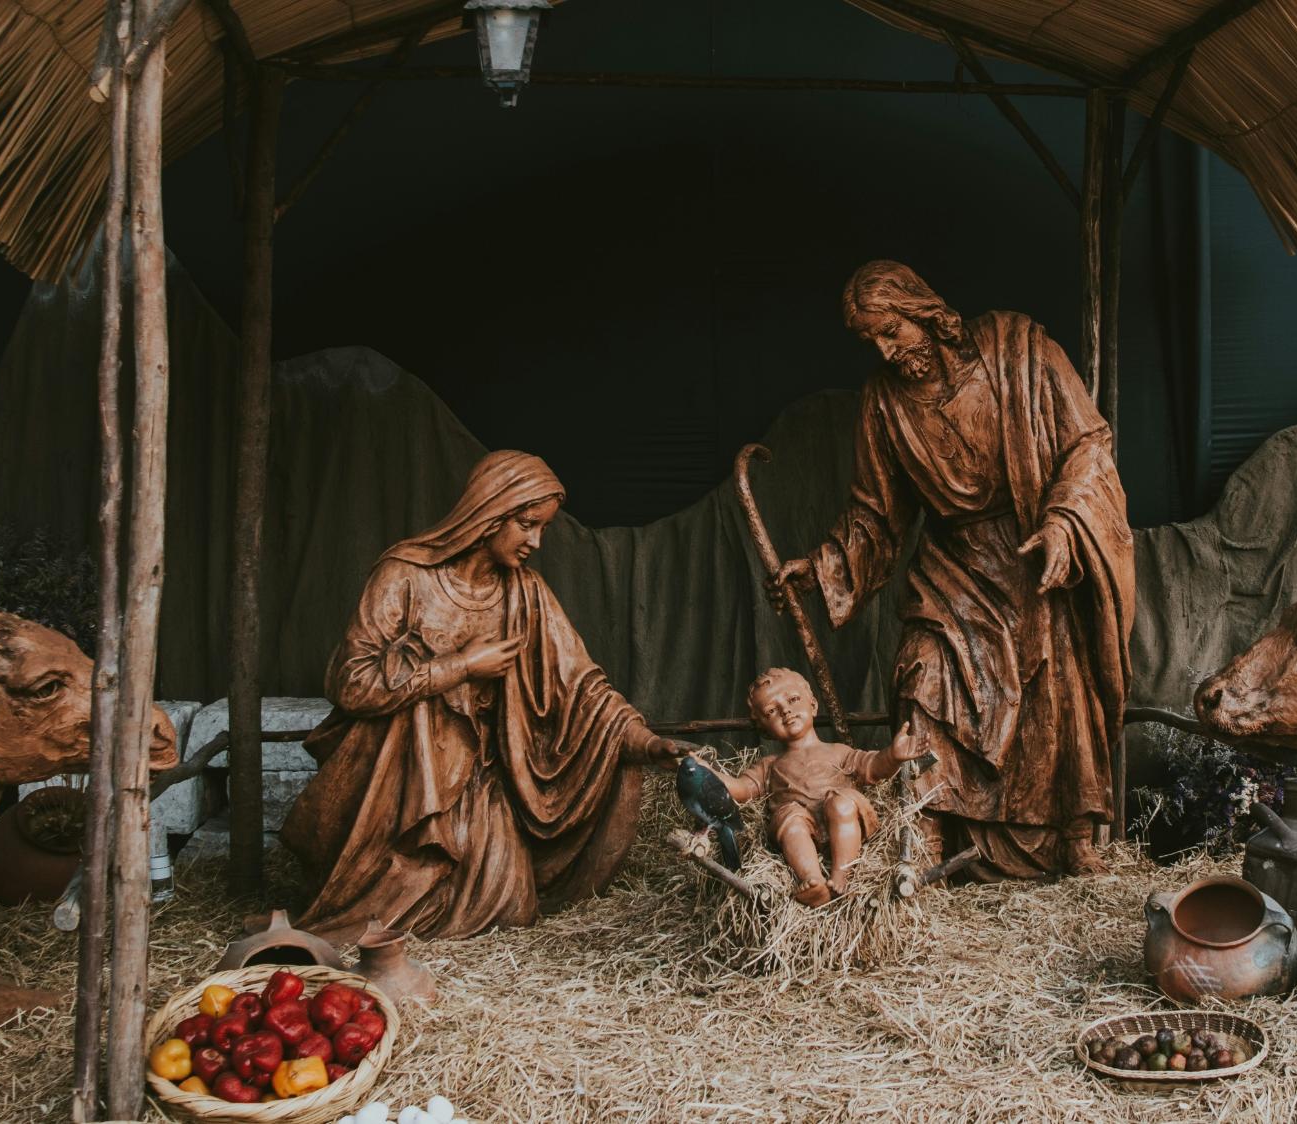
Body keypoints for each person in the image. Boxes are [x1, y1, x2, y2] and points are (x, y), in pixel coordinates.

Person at [771, 260, 1134, 881]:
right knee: (925, 675)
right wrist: (825, 566)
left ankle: (1073, 835)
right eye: (873, 343)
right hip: (952, 565)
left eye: (893, 332)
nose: (887, 353)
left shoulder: (1018, 348)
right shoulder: (883, 404)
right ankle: (928, 832)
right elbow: (875, 512)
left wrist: (1063, 522)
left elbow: (1087, 442)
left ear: (923, 311)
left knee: (1058, 672)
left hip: (1031, 545)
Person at [281, 450, 693, 940]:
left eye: (543, 528)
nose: (535, 541)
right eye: (527, 524)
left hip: (479, 780)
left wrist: (644, 742)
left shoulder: (525, 593)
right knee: (383, 919)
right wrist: (459, 668)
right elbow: (352, 683)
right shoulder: (405, 575)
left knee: (512, 911)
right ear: (489, 513)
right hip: (400, 783)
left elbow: (582, 683)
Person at [702, 668, 920, 906]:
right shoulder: (770, 766)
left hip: (843, 821)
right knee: (788, 815)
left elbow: (873, 767)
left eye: (793, 699)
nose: (786, 710)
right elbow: (742, 789)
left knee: (842, 801)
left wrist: (893, 756)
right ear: (764, 729)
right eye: (771, 711)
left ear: (813, 705)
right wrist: (707, 772)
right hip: (802, 829)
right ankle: (812, 879)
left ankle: (841, 874)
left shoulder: (838, 751)